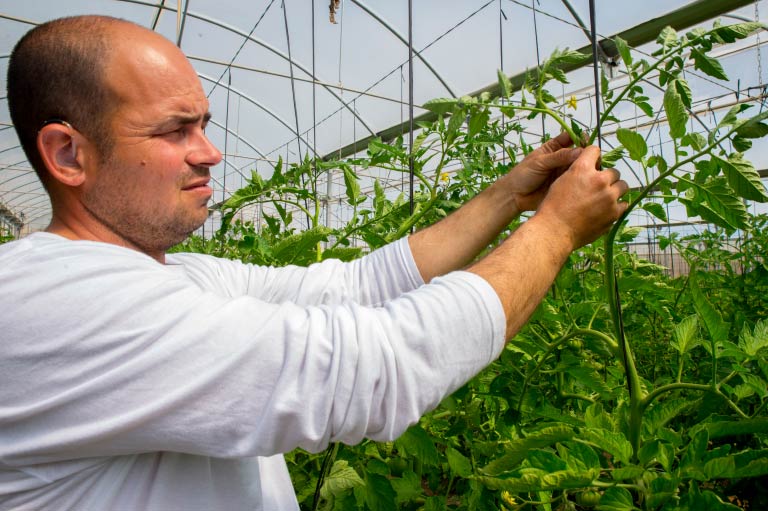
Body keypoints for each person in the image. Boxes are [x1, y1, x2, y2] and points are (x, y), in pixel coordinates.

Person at [0, 15, 628, 511]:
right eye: (174, 131)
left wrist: (508, 197)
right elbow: (373, 369)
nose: (210, 153)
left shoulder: (178, 276)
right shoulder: (55, 304)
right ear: (68, 154)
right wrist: (557, 230)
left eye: (205, 126)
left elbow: (356, 286)